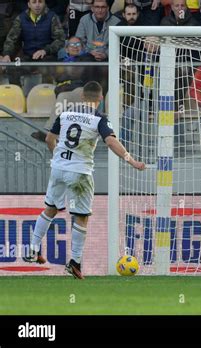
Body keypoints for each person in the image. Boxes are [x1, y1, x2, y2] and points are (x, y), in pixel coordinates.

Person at [22, 81, 146, 279]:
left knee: (50, 209)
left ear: (82, 97)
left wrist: (58, 158)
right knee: (81, 217)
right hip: (79, 173)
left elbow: (49, 139)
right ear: (100, 99)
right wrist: (132, 161)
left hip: (58, 169)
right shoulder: (99, 119)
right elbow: (111, 141)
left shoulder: (64, 114)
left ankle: (32, 248)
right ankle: (75, 262)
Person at [0, 0, 65, 62]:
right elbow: (11, 39)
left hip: (48, 56)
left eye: (40, 2)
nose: (37, 5)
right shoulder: (21, 18)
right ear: (29, 4)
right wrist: (7, 54)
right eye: (34, 2)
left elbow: (60, 39)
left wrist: (45, 50)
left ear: (44, 4)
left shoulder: (52, 17)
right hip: (27, 56)